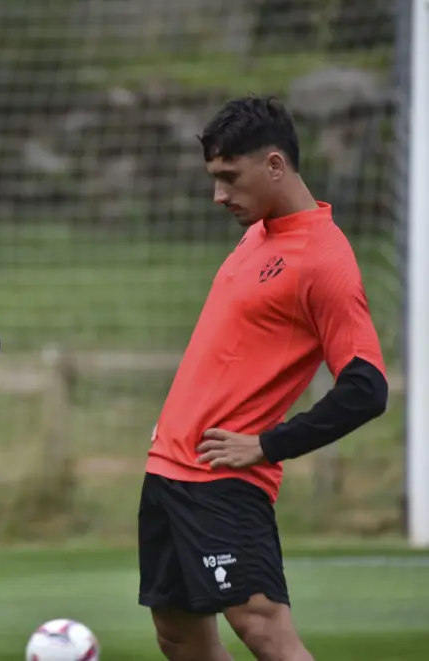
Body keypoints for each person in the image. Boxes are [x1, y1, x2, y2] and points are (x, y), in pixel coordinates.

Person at [137, 95, 388, 661]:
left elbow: (366, 386)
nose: (218, 195)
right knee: (177, 634)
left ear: (275, 165)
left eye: (229, 177)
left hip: (225, 483)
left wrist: (268, 445)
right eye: (214, 178)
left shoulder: (325, 258)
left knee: (263, 627)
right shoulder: (258, 234)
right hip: (170, 470)